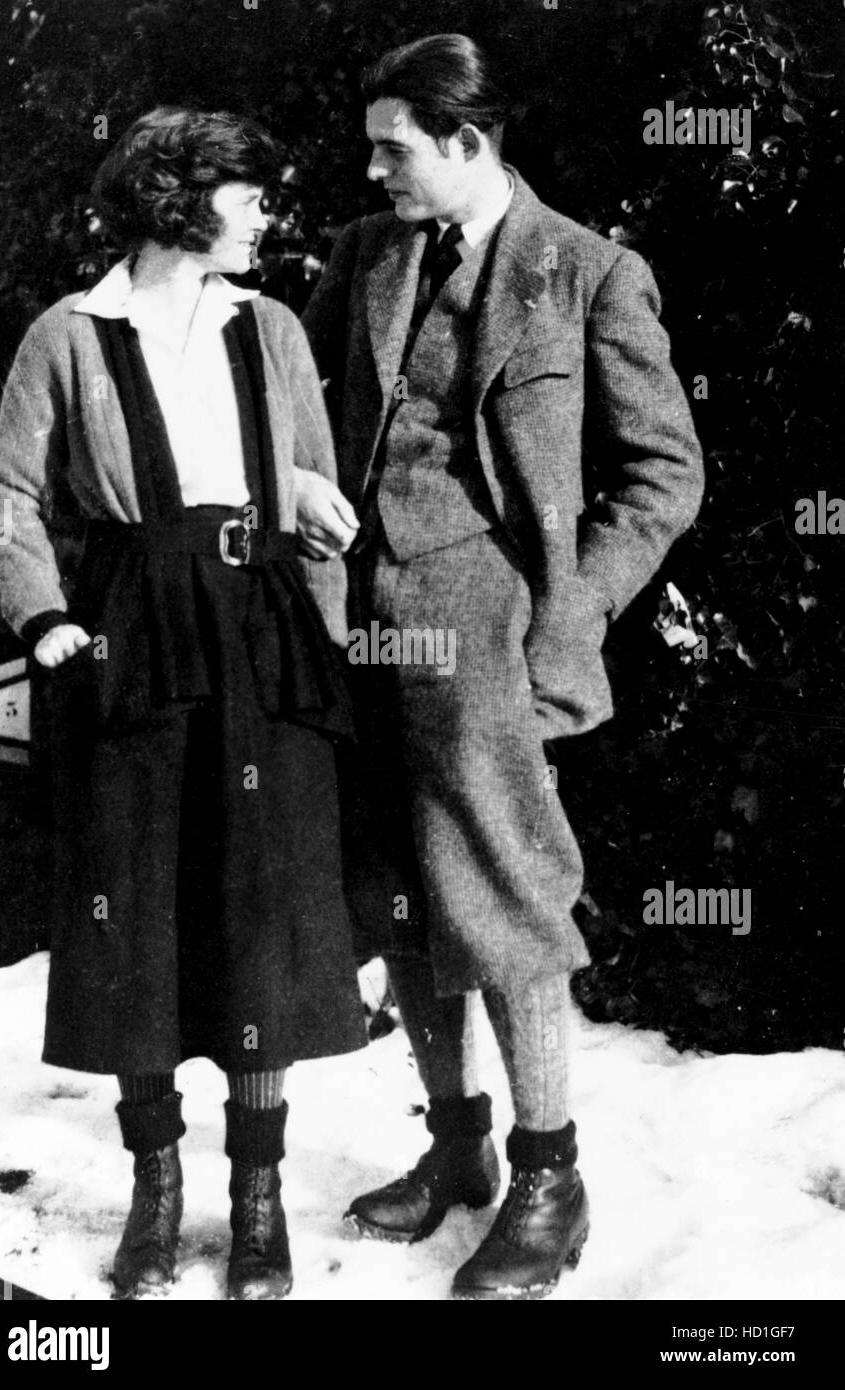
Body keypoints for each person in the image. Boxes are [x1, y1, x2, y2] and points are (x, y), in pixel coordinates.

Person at [301, 34, 704, 1299]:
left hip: (486, 631)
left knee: (504, 897)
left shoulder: (585, 272)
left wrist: (564, 610)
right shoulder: (365, 257)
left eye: (393, 147)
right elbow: (301, 406)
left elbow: (663, 474)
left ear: (467, 142)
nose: (372, 169)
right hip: (351, 622)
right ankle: (459, 1148)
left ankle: (550, 1175)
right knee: (397, 895)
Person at [0, 107, 366, 1301]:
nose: (265, 215)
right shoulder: (69, 334)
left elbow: (311, 484)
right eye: (249, 194)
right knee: (131, 915)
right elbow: (6, 494)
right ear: (179, 202)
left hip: (259, 635)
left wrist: (328, 629)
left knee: (258, 915)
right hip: (125, 636)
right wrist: (48, 622)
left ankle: (257, 1204)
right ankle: (157, 1192)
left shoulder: (275, 329)